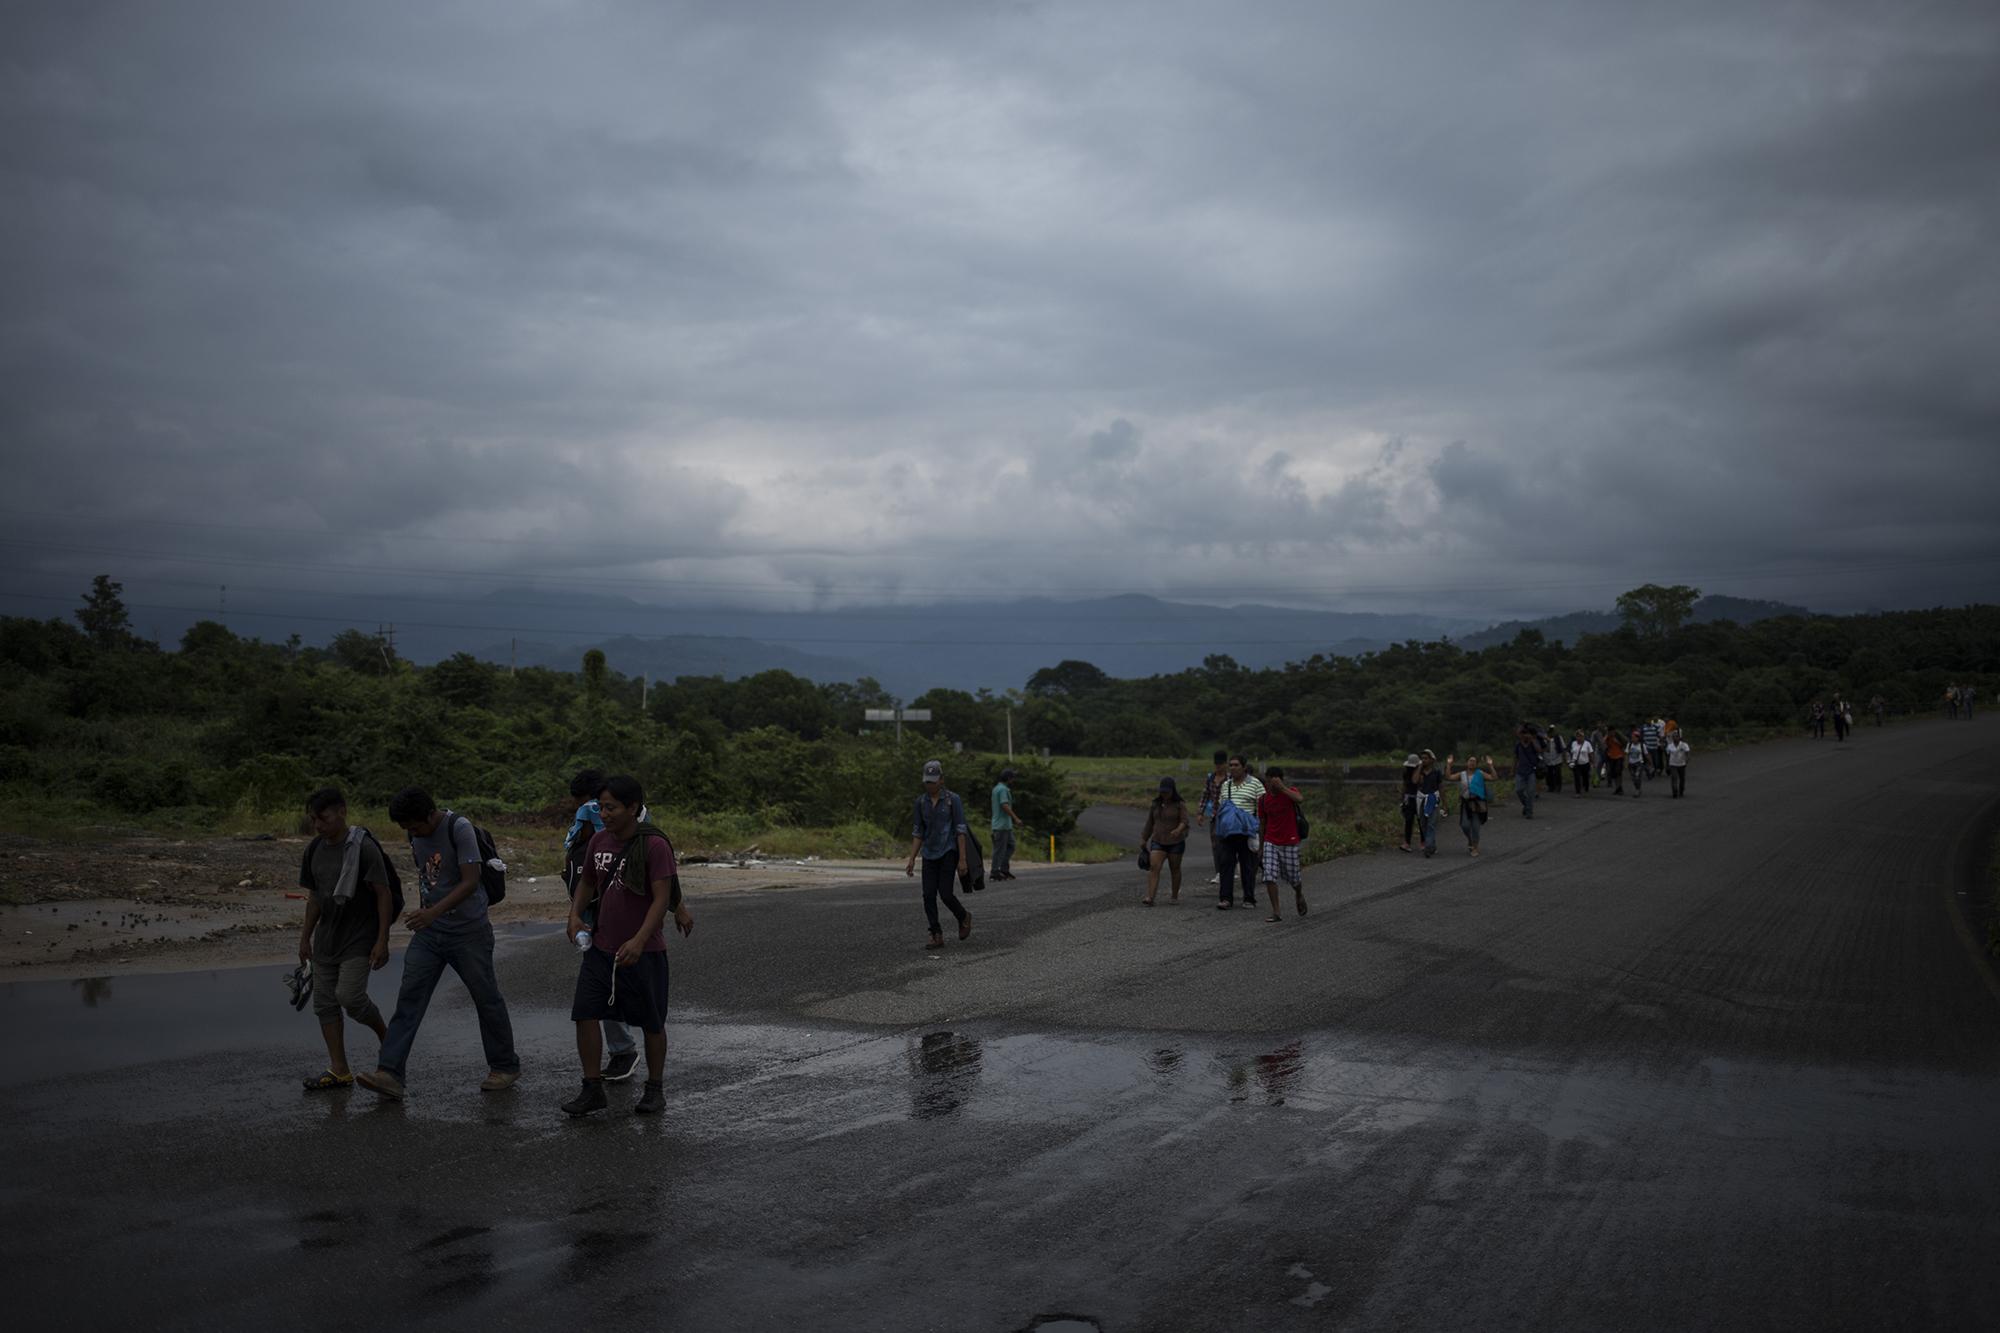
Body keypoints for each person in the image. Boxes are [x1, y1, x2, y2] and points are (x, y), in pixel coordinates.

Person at [356, 788, 520, 1101]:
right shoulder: (414, 835)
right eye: (407, 830)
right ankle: (389, 1073)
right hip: (430, 935)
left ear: (430, 815)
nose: (412, 834)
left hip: (469, 932)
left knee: (487, 999)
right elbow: (428, 876)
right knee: (409, 1001)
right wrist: (429, 916)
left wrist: (432, 912)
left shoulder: (459, 828)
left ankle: (505, 1066)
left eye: (415, 827)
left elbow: (470, 880)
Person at [562, 775, 693, 1117]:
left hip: (643, 952)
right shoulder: (598, 842)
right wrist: (574, 915)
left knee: (651, 1022)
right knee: (585, 1013)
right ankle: (592, 1088)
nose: (604, 814)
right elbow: (588, 880)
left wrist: (639, 939)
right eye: (601, 807)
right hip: (601, 947)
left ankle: (655, 1089)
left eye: (611, 807)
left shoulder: (654, 846)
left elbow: (660, 898)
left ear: (633, 808)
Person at [296, 787, 392, 1091]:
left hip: (359, 938)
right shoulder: (314, 849)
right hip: (326, 940)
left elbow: (383, 894)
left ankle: (387, 1038)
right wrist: (304, 938)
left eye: (323, 819)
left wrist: (382, 940)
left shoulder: (364, 849)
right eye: (313, 820)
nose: (318, 826)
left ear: (342, 812)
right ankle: (339, 1070)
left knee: (350, 997)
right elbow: (314, 898)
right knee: (324, 1004)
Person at [562, 768, 640, 1084]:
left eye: (605, 806)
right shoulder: (631, 821)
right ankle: (619, 1054)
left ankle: (624, 1051)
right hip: (600, 915)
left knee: (613, 985)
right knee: (605, 987)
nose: (600, 813)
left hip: (613, 917)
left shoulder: (596, 820)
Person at [903, 760, 972, 949]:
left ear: (941, 780)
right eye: (927, 781)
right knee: (928, 895)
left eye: (933, 781)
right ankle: (935, 933)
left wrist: (963, 859)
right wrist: (911, 859)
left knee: (946, 894)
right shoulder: (921, 802)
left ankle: (963, 916)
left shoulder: (952, 800)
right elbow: (918, 832)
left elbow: (960, 830)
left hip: (948, 852)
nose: (930, 785)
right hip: (929, 854)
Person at [1213, 756, 1264, 908]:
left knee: (1248, 866)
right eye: (1231, 765)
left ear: (1244, 767)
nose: (1233, 768)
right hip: (1228, 832)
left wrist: (1260, 831)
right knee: (1226, 865)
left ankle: (1249, 898)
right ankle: (1226, 898)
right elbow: (1222, 807)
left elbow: (1262, 809)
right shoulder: (1226, 785)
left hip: (1247, 831)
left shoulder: (1255, 784)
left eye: (1236, 765)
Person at [1256, 766, 1306, 921]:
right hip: (1271, 841)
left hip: (1290, 841)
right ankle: (1276, 912)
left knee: (1294, 878)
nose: (1271, 784)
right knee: (1269, 875)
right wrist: (1261, 846)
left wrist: (1282, 788)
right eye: (1269, 780)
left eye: (1274, 780)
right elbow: (1263, 823)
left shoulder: (1289, 792)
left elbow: (1300, 799)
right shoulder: (1263, 800)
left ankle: (1298, 894)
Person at [1139, 777, 1190, 905]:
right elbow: (1150, 823)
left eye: (1167, 792)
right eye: (1162, 791)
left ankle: (1174, 896)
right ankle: (1150, 897)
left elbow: (1185, 821)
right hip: (1158, 840)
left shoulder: (1180, 804)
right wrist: (1144, 838)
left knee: (1175, 869)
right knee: (1154, 867)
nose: (1164, 794)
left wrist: (1178, 830)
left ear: (1173, 790)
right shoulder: (1155, 804)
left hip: (1175, 842)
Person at [1446, 754, 1495, 856]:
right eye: (1470, 760)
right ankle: (1470, 840)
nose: (1471, 763)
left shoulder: (1480, 773)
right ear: (1467, 763)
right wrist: (1449, 765)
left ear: (1476, 764)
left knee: (1476, 827)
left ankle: (1475, 847)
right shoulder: (1462, 774)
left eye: (1474, 761)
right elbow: (1449, 777)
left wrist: (1490, 765)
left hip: (1478, 803)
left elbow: (1493, 777)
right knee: (1465, 825)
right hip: (1466, 803)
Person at [1196, 750, 1228, 886]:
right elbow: (1205, 796)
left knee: (1228, 844)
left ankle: (1229, 870)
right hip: (1215, 816)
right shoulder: (1211, 778)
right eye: (1216, 764)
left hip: (1228, 816)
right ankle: (1219, 872)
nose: (1218, 767)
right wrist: (1200, 813)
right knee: (1216, 845)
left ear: (1225, 764)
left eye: (1220, 764)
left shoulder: (1230, 778)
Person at [989, 768, 1020, 881]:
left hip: (1005, 825)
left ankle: (1004, 869)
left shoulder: (998, 788)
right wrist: (1015, 818)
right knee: (999, 849)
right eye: (1012, 777)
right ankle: (995, 871)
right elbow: (1004, 805)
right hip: (1001, 825)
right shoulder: (1002, 790)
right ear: (1008, 778)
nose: (1013, 779)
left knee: (1011, 846)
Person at [1414, 750, 1444, 856]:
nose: (1424, 760)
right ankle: (1432, 845)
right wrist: (1419, 767)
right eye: (1422, 758)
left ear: (1431, 760)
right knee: (1423, 824)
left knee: (1431, 824)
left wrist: (1444, 802)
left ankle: (1428, 847)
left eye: (1426, 758)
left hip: (1432, 799)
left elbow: (1440, 787)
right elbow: (1414, 781)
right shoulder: (1420, 771)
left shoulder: (1436, 772)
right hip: (1421, 799)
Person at [1512, 724, 1540, 819]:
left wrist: (1532, 739)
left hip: (1531, 770)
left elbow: (1539, 750)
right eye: (1521, 734)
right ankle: (1527, 806)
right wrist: (1513, 770)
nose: (1522, 736)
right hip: (1520, 771)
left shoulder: (1532, 743)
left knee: (1531, 792)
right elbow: (1516, 758)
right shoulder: (1518, 745)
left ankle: (1529, 812)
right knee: (1519, 790)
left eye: (1524, 733)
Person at [1399, 753, 1421, 851]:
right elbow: (1404, 786)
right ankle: (1407, 842)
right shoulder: (1406, 773)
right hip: (1409, 799)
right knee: (1408, 821)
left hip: (1419, 798)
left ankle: (1424, 842)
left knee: (1421, 821)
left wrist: (1419, 768)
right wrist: (1402, 798)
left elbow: (1415, 781)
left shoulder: (1421, 773)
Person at [1603, 725, 1628, 795]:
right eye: (1609, 732)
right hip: (1611, 756)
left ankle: (1620, 788)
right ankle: (1618, 788)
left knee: (1618, 772)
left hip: (1619, 756)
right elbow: (1603, 743)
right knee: (1612, 773)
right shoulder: (1608, 737)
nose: (1611, 733)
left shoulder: (1619, 736)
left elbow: (1625, 743)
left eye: (1612, 732)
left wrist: (1617, 742)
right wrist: (1606, 736)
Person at [1568, 730, 1594, 797]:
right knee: (1577, 777)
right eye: (1577, 736)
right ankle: (1578, 792)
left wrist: (1592, 762)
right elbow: (1571, 752)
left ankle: (1586, 788)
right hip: (1576, 764)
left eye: (1580, 736)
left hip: (1585, 763)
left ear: (1583, 737)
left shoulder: (1587, 743)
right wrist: (1570, 761)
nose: (1579, 738)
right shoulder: (1573, 743)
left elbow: (1590, 753)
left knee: (1585, 777)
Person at [1542, 725, 1566, 795]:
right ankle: (1550, 786)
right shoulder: (1545, 738)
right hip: (1548, 758)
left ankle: (1558, 786)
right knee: (1549, 774)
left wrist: (1564, 758)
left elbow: (1563, 747)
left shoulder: (1558, 737)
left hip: (1557, 758)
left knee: (1557, 773)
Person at [1666, 731, 1690, 798]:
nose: (1675, 738)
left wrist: (1687, 759)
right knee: (1674, 777)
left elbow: (1687, 753)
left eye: (1676, 736)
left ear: (1679, 737)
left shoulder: (1684, 745)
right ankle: (1675, 791)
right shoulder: (1670, 746)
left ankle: (1681, 790)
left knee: (1682, 779)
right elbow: (1668, 756)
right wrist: (1667, 765)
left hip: (1682, 764)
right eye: (1673, 737)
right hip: (1673, 764)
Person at [1626, 727, 1647, 796]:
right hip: (1631, 764)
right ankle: (1638, 788)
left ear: (1638, 738)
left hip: (1639, 763)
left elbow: (1646, 754)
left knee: (1637, 776)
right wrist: (1626, 762)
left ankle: (1637, 790)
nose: (1633, 739)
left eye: (1634, 737)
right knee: (1633, 778)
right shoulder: (1629, 745)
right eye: (1632, 737)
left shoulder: (1642, 745)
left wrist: (1650, 763)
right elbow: (1626, 754)